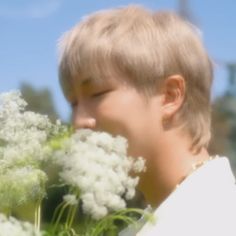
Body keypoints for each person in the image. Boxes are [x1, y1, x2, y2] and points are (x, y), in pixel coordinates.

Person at [58, 5, 236, 236]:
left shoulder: (219, 219)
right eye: (73, 104)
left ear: (170, 96)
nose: (79, 122)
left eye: (98, 93)